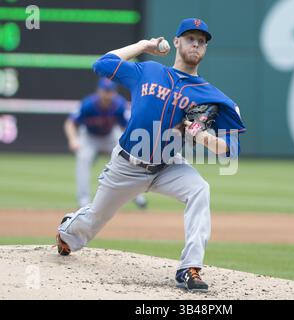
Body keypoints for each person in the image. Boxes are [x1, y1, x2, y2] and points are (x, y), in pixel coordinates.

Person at [57, 18, 246, 292]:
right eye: (190, 38)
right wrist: (144, 45)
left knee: (200, 190)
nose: (196, 43)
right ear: (177, 41)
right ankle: (68, 230)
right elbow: (102, 64)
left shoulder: (210, 95)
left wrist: (204, 137)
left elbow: (232, 149)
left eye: (201, 41)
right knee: (93, 220)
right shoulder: (148, 71)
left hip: (168, 166)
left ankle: (189, 268)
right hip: (127, 165)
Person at [64, 78, 148, 209]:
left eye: (110, 92)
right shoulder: (88, 104)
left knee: (128, 159)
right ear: (99, 91)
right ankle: (83, 200)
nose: (107, 95)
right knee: (83, 158)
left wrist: (129, 145)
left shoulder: (119, 105)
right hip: (89, 137)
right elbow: (70, 123)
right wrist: (73, 139)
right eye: (105, 91)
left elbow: (127, 127)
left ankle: (136, 196)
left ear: (114, 93)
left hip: (110, 135)